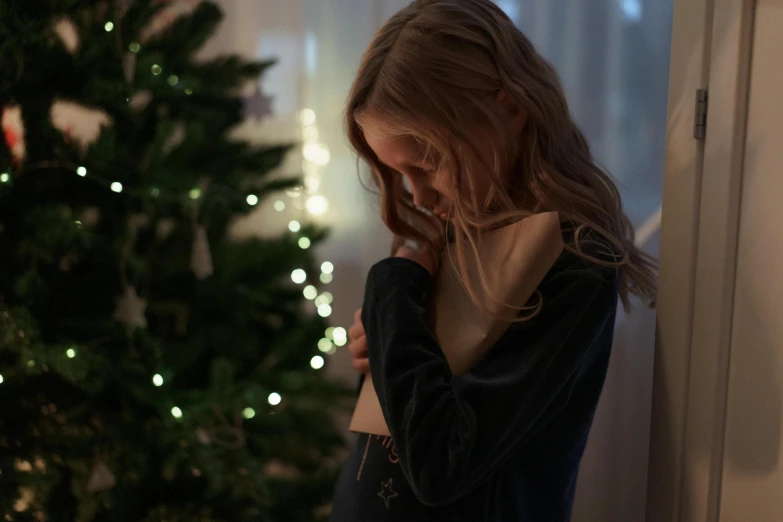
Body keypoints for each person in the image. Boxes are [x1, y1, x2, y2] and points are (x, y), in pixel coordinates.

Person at [329, 1, 658, 521]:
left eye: (429, 162)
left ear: (508, 111)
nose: (416, 197)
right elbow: (400, 417)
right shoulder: (450, 232)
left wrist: (392, 284)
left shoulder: (574, 262)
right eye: (399, 174)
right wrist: (386, 345)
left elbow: (442, 465)